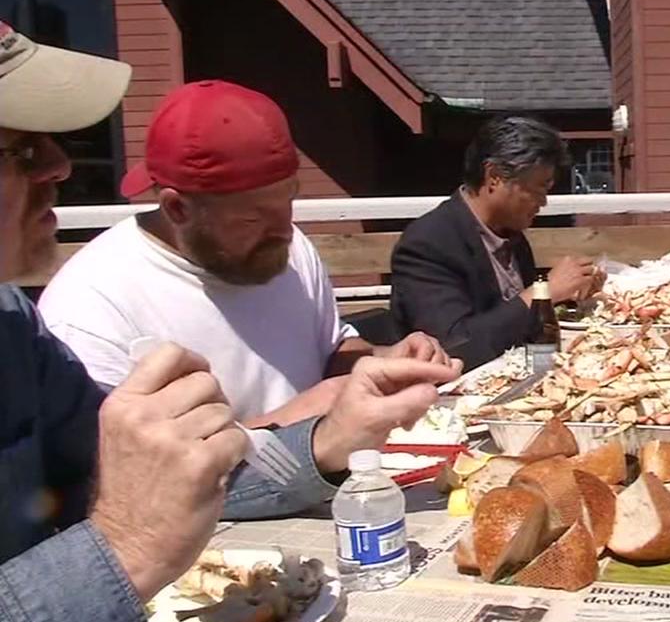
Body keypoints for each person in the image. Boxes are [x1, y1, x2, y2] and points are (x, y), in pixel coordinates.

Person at [0, 24, 459, 622]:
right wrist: (126, 549)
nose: (61, 167)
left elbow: (157, 485)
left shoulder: (13, 326)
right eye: (21, 149)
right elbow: (133, 514)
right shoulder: (85, 301)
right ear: (176, 209)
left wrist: (328, 438)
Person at [38, 80, 448, 426]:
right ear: (177, 208)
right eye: (253, 218)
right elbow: (126, 479)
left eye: (288, 202)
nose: (284, 230)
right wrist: (297, 423)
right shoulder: (90, 308)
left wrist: (385, 362)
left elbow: (330, 349)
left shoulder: (288, 245)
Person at [390, 116, 600, 370]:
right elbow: (455, 346)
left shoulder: (509, 231)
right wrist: (542, 293)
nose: (543, 202)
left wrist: (572, 293)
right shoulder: (427, 243)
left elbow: (514, 318)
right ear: (494, 177)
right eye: (539, 188)